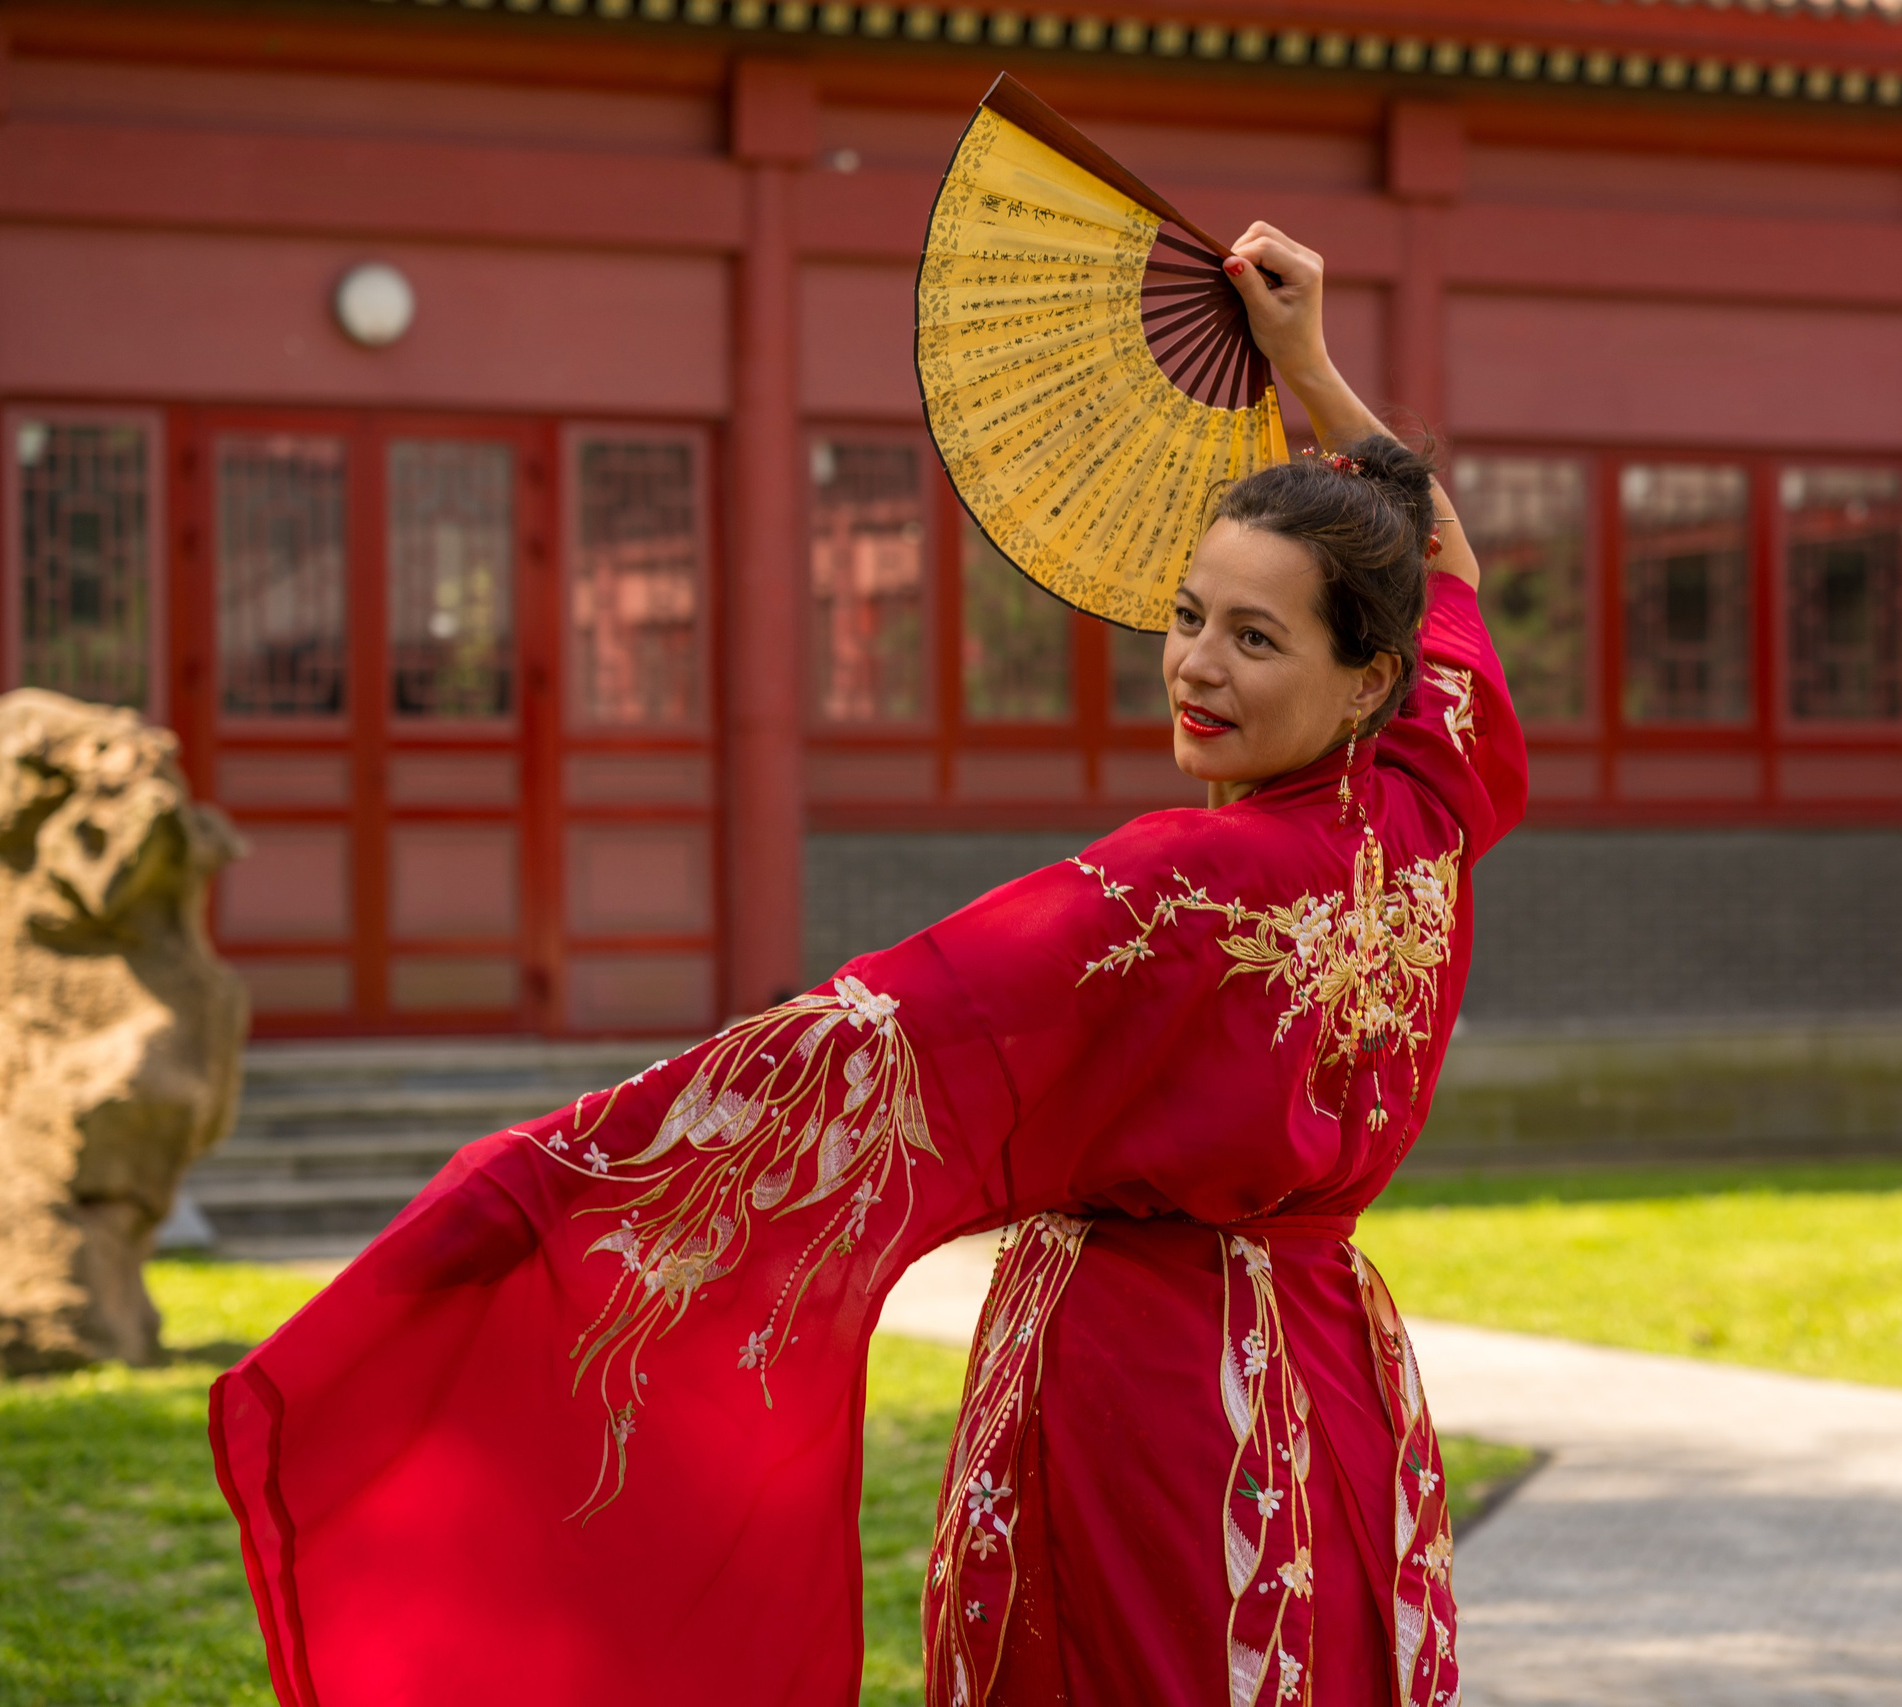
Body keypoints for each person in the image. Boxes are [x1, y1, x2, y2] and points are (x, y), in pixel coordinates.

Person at [209, 223, 1526, 1707]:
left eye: (1255, 639)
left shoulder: (1190, 879)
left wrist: (555, 1178)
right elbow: (1442, 564)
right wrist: (1311, 370)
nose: (1196, 666)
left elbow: (888, 1038)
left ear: (1365, 676)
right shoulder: (1430, 801)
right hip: (1329, 1369)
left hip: (1147, 1395)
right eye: (1185, 616)